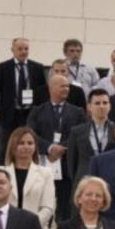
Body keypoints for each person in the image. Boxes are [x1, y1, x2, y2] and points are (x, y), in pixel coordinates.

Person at [27, 73, 88, 220]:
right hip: (43, 163)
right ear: (51, 88)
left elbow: (82, 134)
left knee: (65, 204)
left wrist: (61, 148)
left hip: (67, 165)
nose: (66, 89)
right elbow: (30, 133)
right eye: (63, 86)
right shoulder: (37, 111)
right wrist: (49, 148)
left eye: (68, 86)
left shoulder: (78, 112)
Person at [0, 37, 47, 155]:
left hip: (31, 113)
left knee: (31, 143)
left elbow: (42, 92)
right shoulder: (3, 67)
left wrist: (43, 112)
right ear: (12, 50)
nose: (23, 52)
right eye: (20, 49)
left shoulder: (37, 68)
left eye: (26, 49)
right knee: (7, 145)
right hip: (10, 113)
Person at [65, 88, 115, 185]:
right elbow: (71, 164)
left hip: (111, 182)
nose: (101, 106)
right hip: (84, 182)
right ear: (89, 107)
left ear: (110, 106)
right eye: (97, 103)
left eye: (105, 103)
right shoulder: (77, 132)